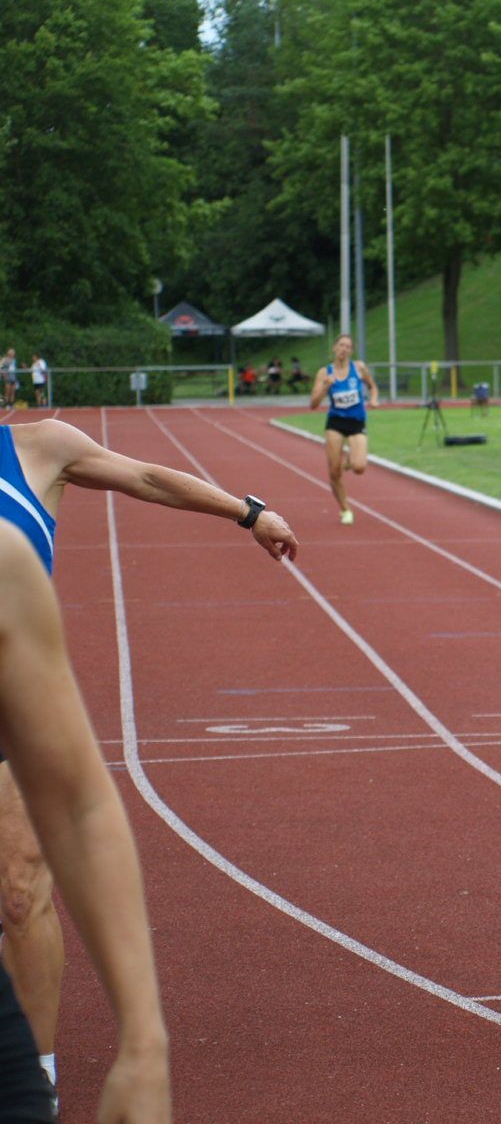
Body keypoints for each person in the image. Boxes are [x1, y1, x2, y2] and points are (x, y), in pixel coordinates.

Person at [0, 417, 296, 1109]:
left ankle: (33, 1080)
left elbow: (147, 477)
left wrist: (248, 512)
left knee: (18, 889)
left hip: (13, 703)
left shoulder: (40, 447)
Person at [0, 521, 172, 1123]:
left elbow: (79, 807)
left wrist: (144, 1047)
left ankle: (42, 1066)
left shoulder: (5, 564)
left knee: (20, 892)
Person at [309, 334, 379, 525]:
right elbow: (313, 404)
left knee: (359, 467)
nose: (344, 349)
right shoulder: (325, 373)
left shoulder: (359, 368)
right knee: (334, 471)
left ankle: (349, 459)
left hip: (356, 422)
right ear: (334, 348)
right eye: (341, 345)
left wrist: (373, 399)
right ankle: (345, 509)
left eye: (348, 346)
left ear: (351, 351)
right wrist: (325, 387)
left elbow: (372, 386)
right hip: (336, 423)